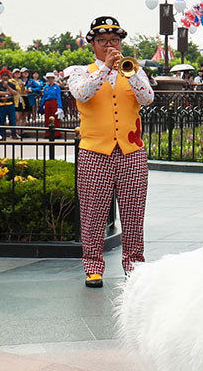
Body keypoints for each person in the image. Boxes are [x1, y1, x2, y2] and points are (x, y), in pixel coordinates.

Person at [64, 16, 154, 287]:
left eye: (114, 40)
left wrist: (131, 72)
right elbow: (82, 93)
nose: (109, 46)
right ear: (92, 44)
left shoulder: (132, 70)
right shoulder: (81, 72)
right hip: (95, 151)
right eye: (102, 41)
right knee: (93, 212)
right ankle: (92, 266)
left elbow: (148, 98)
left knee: (134, 211)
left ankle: (134, 265)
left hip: (131, 151)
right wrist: (104, 67)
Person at [0, 68, 18, 133]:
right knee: (2, 120)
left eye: (6, 78)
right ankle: (1, 134)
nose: (5, 79)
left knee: (12, 120)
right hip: (2, 104)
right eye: (4, 78)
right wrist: (7, 93)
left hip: (10, 104)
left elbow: (15, 93)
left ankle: (14, 133)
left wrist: (8, 87)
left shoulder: (12, 85)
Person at [42, 71, 63, 138]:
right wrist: (42, 104)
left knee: (55, 118)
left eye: (51, 78)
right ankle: (47, 133)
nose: (50, 80)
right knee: (47, 118)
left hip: (54, 102)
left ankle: (57, 133)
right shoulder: (46, 87)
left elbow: (58, 96)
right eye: (49, 78)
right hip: (47, 102)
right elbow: (44, 96)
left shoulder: (57, 87)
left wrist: (60, 106)